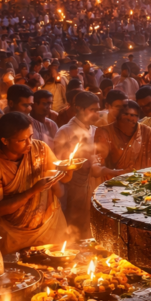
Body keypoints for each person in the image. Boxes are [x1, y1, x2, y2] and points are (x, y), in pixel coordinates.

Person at [0, 112, 70, 253]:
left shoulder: (40, 149)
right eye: (22, 140)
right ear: (5, 141)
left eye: (31, 136)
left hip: (49, 227)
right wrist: (33, 191)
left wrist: (70, 167)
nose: (29, 143)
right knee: (21, 273)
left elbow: (63, 182)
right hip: (14, 235)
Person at [53, 91, 101, 242]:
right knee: (75, 230)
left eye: (97, 110)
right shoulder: (65, 132)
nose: (97, 114)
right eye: (92, 110)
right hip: (73, 189)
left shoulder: (95, 130)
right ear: (79, 108)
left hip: (94, 186)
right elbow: (58, 165)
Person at [94, 100, 151, 174]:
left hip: (141, 181)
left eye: (134, 115)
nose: (130, 118)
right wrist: (119, 174)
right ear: (117, 117)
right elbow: (97, 167)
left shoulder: (149, 134)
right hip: (111, 182)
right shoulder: (104, 132)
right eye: (126, 114)